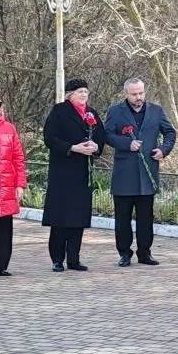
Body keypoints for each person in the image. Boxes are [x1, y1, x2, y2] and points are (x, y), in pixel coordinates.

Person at [103, 78, 177, 267]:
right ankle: (124, 253)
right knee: (122, 218)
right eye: (134, 94)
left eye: (141, 93)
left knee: (146, 217)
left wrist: (163, 150)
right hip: (124, 174)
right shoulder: (115, 111)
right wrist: (126, 143)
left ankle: (145, 253)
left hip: (147, 173)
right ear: (126, 94)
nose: (139, 97)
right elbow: (107, 135)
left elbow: (170, 133)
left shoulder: (156, 111)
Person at [42, 78, 107, 272]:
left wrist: (96, 146)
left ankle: (74, 258)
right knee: (61, 217)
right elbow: (50, 138)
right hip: (63, 172)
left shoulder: (91, 113)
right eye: (80, 92)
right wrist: (72, 147)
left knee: (78, 218)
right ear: (70, 94)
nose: (84, 95)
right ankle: (57, 259)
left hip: (82, 172)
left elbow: (101, 136)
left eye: (86, 91)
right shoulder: (59, 111)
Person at [0, 90, 26, 276]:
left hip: (6, 187)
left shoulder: (9, 128)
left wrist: (20, 184)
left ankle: (1, 265)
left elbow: (18, 158)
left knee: (4, 229)